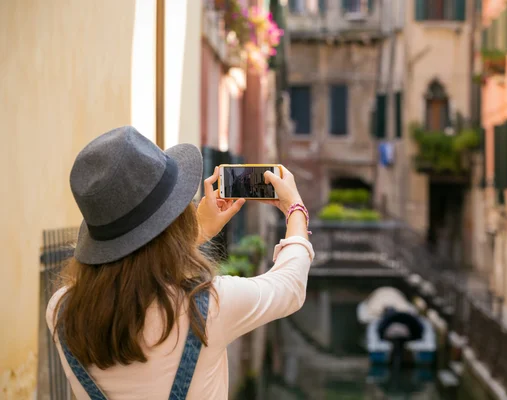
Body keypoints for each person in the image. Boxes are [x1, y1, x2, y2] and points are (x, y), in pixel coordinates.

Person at [46, 126, 314, 399]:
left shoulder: (61, 311)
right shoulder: (207, 308)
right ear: (174, 218)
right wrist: (295, 209)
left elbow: (135, 266)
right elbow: (289, 286)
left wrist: (195, 234)